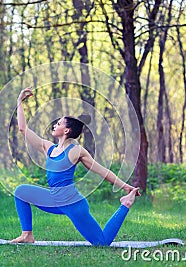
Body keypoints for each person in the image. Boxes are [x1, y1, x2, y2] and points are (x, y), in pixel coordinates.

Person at [10, 87, 140, 246]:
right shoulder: (48, 148)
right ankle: (27, 235)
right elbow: (23, 129)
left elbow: (102, 171)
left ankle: (125, 204)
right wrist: (19, 102)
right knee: (21, 192)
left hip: (72, 203)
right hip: (53, 199)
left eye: (58, 123)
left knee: (102, 243)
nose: (54, 125)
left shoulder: (76, 151)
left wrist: (126, 187)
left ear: (66, 130)